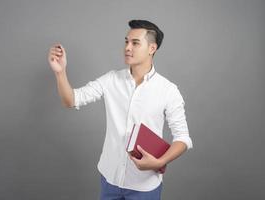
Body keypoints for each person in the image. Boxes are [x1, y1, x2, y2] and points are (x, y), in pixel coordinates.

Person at [48, 19, 193, 200]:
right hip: (110, 180)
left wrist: (159, 162)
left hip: (144, 185)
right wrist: (60, 72)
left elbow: (183, 138)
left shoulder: (168, 90)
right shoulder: (111, 80)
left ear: (152, 48)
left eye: (135, 43)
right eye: (126, 42)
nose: (127, 48)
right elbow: (71, 100)